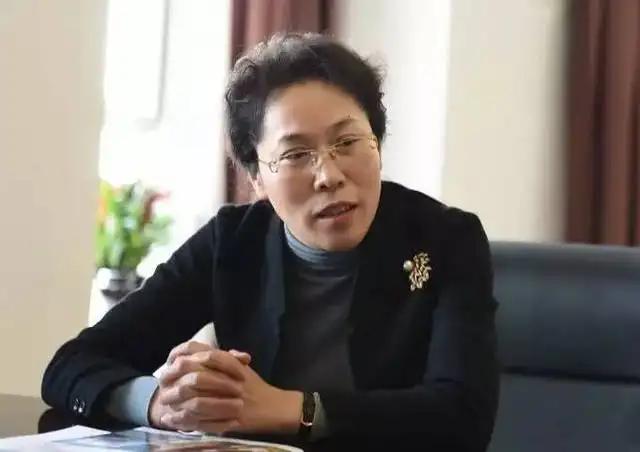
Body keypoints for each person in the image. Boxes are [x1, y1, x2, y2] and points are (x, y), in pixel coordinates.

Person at [42, 32, 499, 451]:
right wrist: (160, 403)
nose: (329, 175)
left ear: (377, 144)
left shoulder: (446, 238)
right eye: (296, 154)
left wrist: (290, 408)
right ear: (257, 178)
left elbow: (463, 417)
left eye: (347, 142)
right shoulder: (233, 243)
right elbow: (70, 365)